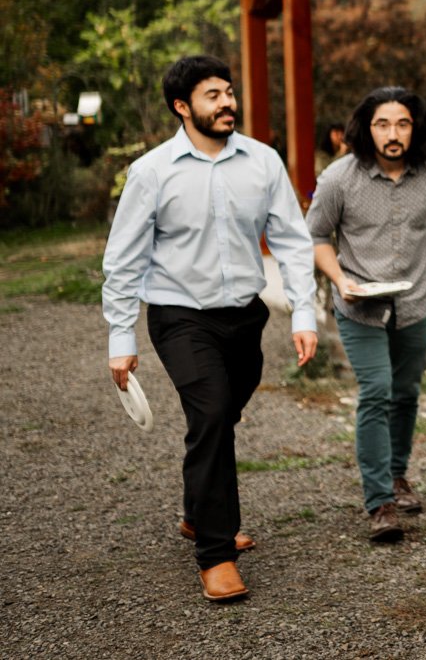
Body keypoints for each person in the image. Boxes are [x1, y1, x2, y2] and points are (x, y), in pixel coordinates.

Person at [102, 55, 319, 603]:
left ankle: (198, 512)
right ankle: (216, 554)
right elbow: (124, 259)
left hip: (244, 316)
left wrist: (304, 312)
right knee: (214, 412)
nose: (227, 102)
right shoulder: (152, 172)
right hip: (179, 316)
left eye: (228, 91)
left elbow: (293, 241)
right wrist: (121, 339)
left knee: (219, 419)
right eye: (212, 95)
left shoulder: (263, 162)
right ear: (182, 107)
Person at [305, 87, 426, 542]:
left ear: (416, 127)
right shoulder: (339, 178)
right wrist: (339, 279)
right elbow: (316, 236)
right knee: (377, 390)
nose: (393, 134)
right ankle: (379, 502)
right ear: (365, 128)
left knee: (407, 392)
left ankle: (397, 475)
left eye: (402, 124)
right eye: (382, 124)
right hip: (359, 306)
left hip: (414, 302)